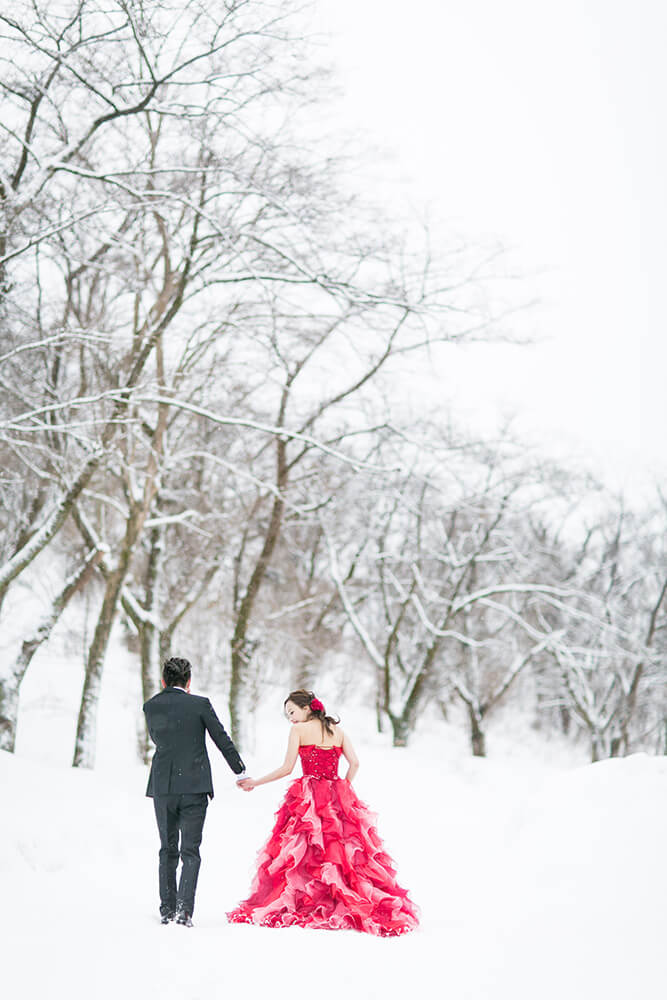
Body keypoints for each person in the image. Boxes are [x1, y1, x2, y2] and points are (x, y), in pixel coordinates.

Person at [227, 689, 419, 936]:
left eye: (292, 712)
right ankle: (339, 894)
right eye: (288, 715)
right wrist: (344, 788)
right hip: (336, 794)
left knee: (304, 848)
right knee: (339, 849)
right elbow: (355, 763)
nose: (291, 719)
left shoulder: (298, 731)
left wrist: (255, 782)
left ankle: (309, 896)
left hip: (308, 794)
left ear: (307, 708)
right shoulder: (337, 731)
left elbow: (287, 768)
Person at [143, 656, 246, 927]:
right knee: (191, 850)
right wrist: (240, 771)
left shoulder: (151, 706)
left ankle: (166, 909)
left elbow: (162, 739)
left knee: (167, 848)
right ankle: (184, 911)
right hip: (195, 787)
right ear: (189, 683)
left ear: (163, 681)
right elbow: (221, 738)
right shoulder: (199, 704)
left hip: (163, 787)